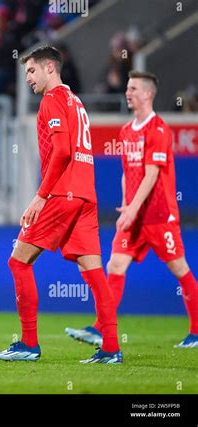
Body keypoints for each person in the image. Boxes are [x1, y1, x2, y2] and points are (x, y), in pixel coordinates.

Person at [0, 46, 122, 364]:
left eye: (32, 71)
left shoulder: (51, 100)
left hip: (62, 193)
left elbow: (62, 151)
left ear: (50, 67)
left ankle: (28, 343)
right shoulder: (75, 101)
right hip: (86, 195)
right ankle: (111, 348)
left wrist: (40, 196)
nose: (28, 79)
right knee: (93, 271)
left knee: (19, 261)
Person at [66, 71, 198, 348]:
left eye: (134, 88)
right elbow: (128, 174)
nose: (128, 93)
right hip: (134, 215)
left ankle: (196, 331)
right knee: (115, 264)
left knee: (179, 268)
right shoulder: (126, 131)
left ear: (148, 94)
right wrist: (127, 205)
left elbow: (151, 174)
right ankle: (101, 328)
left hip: (159, 216)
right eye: (127, 88)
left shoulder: (159, 129)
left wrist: (132, 209)